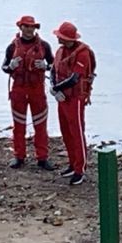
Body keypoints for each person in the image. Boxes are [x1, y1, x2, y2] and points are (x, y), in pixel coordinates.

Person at [3, 15, 55, 170]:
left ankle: (42, 158)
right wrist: (11, 66)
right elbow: (4, 67)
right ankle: (19, 156)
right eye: (26, 26)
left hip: (37, 89)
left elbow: (54, 66)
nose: (29, 29)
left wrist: (45, 66)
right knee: (18, 124)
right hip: (18, 89)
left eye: (31, 26)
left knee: (40, 124)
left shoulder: (44, 46)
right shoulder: (12, 47)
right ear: (20, 27)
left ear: (35, 28)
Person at [50, 21, 96, 185]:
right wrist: (54, 88)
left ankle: (80, 168)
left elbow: (75, 78)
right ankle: (72, 162)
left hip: (75, 98)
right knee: (65, 130)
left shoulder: (82, 54)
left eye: (60, 37)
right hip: (63, 96)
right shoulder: (60, 51)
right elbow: (54, 70)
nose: (58, 39)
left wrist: (56, 88)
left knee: (76, 131)